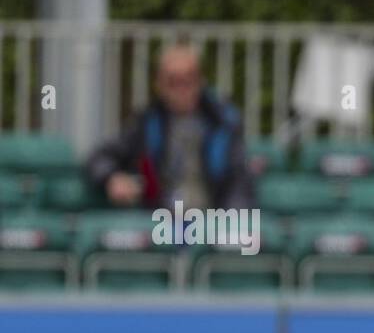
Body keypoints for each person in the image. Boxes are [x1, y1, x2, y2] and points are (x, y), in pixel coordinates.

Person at [85, 43, 255, 212]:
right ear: (159, 84)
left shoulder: (224, 123)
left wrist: (230, 224)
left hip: (213, 220)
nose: (181, 89)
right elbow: (100, 157)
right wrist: (112, 178)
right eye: (172, 81)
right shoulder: (145, 123)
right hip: (160, 221)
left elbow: (238, 180)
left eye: (188, 80)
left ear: (200, 81)